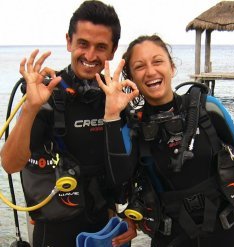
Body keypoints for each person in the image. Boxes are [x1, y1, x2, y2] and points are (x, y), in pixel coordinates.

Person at [96, 34, 234, 247]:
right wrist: (112, 115)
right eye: (140, 66)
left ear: (172, 67)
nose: (151, 71)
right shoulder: (133, 127)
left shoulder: (208, 108)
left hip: (226, 233)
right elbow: (118, 178)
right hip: (170, 237)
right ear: (131, 76)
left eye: (158, 61)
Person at [0, 1, 137, 247]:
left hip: (107, 230)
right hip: (54, 232)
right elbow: (10, 164)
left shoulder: (116, 99)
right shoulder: (48, 94)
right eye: (83, 44)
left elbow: (135, 166)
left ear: (113, 50)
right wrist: (31, 107)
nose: (90, 55)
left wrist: (132, 213)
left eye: (101, 47)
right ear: (69, 41)